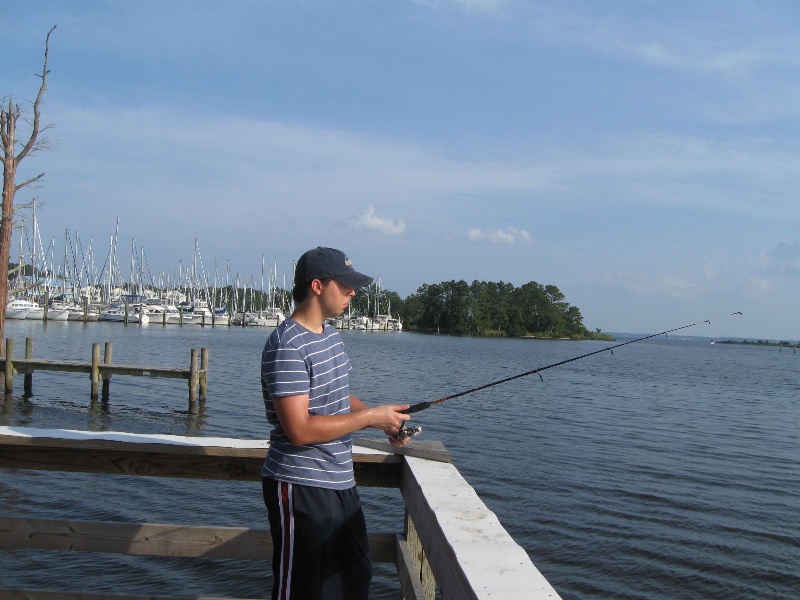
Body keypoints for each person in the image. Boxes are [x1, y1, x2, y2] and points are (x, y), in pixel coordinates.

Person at [260, 246, 412, 600]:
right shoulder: (287, 345)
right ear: (317, 285)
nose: (352, 292)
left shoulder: (329, 336)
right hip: (299, 485)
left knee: (354, 577)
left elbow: (338, 396)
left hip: (340, 482)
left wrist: (384, 421)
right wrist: (370, 417)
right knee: (301, 588)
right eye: (344, 285)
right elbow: (299, 430)